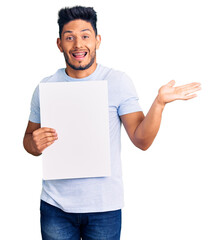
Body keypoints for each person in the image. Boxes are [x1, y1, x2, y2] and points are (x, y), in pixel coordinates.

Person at [23, 6, 201, 240]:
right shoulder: (45, 87)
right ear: (59, 44)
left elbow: (141, 140)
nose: (78, 45)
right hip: (55, 207)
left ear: (97, 40)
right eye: (70, 38)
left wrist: (158, 104)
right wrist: (34, 145)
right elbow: (28, 140)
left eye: (85, 36)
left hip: (104, 208)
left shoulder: (117, 81)